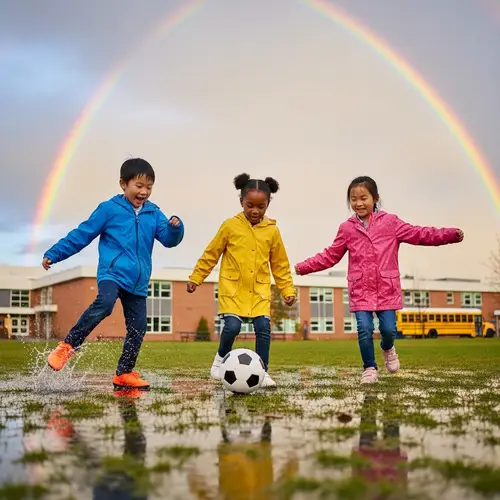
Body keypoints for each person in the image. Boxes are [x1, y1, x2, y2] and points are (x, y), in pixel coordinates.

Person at [294, 176, 463, 384]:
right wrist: (303, 267)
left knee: (389, 330)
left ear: (375, 198)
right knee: (364, 329)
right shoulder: (346, 229)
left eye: (363, 198)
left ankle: (388, 347)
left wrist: (451, 235)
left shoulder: (391, 223)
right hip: (361, 290)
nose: (358, 203)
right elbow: (331, 255)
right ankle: (369, 368)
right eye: (353, 199)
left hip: (386, 289)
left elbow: (421, 234)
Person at [42, 158, 184, 390]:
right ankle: (66, 347)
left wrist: (176, 228)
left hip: (137, 282)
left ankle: (124, 373)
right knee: (105, 303)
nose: (144, 192)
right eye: (139, 186)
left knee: (138, 327)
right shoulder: (109, 209)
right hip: (112, 274)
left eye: (149, 187)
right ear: (123, 184)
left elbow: (169, 240)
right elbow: (82, 235)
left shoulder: (154, 213)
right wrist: (54, 253)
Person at [187, 173, 296, 388]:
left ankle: (263, 372)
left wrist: (287, 290)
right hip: (233, 289)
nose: (255, 211)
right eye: (250, 205)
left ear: (267, 205)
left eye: (261, 206)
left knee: (263, 327)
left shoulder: (272, 231)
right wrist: (196, 277)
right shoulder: (229, 226)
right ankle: (219, 361)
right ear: (241, 202)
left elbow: (280, 264)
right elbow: (211, 254)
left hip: (259, 291)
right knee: (232, 326)